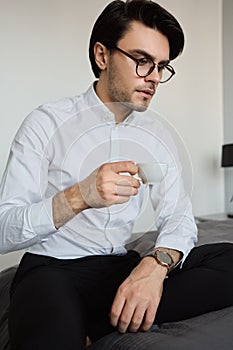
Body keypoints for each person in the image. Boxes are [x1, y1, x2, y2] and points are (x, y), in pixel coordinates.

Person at [0, 1, 233, 349]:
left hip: (120, 268)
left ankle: (100, 319)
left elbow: (179, 217)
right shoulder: (46, 123)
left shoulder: (157, 135)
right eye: (142, 61)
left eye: (161, 66)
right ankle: (96, 319)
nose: (154, 77)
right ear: (102, 55)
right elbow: (4, 231)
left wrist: (155, 266)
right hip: (55, 269)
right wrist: (79, 197)